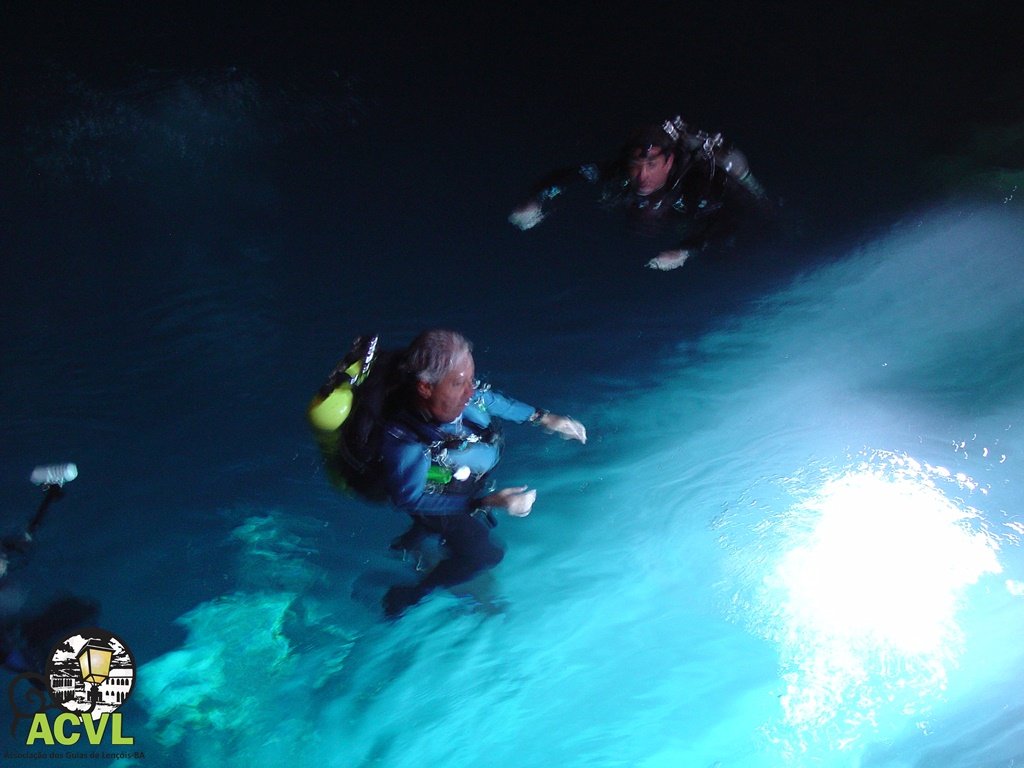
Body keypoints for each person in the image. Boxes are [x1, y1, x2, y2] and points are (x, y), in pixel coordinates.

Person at [334, 329, 587, 617]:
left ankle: (407, 544)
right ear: (425, 388)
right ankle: (413, 594)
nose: (470, 391)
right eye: (458, 383)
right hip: (438, 501)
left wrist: (542, 418)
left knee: (445, 516)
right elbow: (408, 499)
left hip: (460, 481)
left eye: (470, 379)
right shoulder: (406, 443)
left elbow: (488, 399)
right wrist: (485, 503)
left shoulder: (461, 395)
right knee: (486, 556)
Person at [509, 115, 772, 270]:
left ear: (668, 162)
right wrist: (537, 198)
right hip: (663, 221)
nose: (642, 176)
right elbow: (572, 174)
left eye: (652, 165)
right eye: (636, 165)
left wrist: (686, 250)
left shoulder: (695, 183)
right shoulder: (621, 174)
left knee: (737, 250)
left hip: (719, 217)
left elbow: (728, 222)